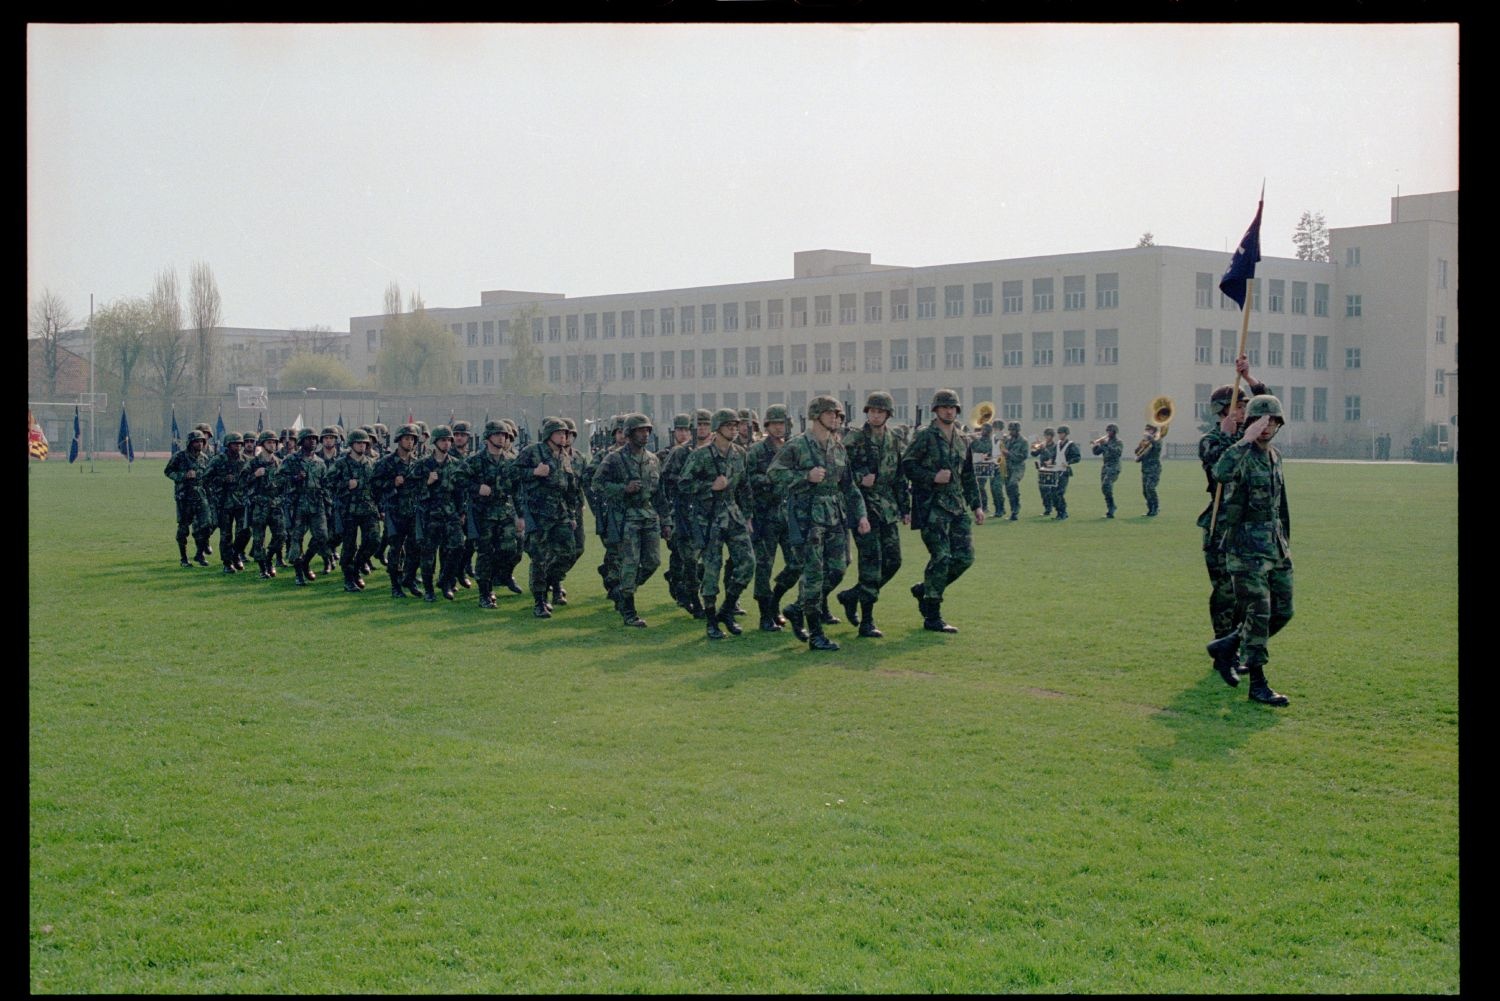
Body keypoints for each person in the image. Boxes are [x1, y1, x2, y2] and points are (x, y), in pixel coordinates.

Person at [1206, 395, 1294, 706]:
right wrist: (1244, 439)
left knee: (1284, 610)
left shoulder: (1276, 457)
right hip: (1245, 549)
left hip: (1274, 546)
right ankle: (1258, 683)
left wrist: (1285, 543)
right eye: (1260, 420)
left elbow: (1279, 505)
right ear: (1250, 423)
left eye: (1272, 421)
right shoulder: (1241, 454)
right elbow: (1220, 472)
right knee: (1259, 613)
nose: (1267, 426)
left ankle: (1229, 644)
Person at [768, 397, 870, 651]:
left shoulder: (838, 447)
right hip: (807, 519)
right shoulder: (798, 445)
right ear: (816, 415)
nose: (836, 418)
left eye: (838, 414)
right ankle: (816, 634)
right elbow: (774, 474)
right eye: (831, 413)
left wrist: (861, 515)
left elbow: (849, 486)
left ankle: (797, 607)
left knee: (839, 567)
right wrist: (805, 477)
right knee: (812, 575)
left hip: (834, 515)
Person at [1197, 357, 1269, 684]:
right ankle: (1222, 647)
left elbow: (1270, 408)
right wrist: (1229, 437)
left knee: (1247, 593)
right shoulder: (1212, 440)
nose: (1245, 411)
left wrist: (1250, 378)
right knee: (1225, 591)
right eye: (1240, 406)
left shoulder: (1253, 437)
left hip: (1248, 529)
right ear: (1224, 411)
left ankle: (1232, 647)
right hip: (1220, 527)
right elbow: (1218, 470)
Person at [901, 389, 984, 633]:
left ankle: (925, 590)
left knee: (965, 558)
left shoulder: (962, 438)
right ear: (935, 410)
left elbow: (968, 474)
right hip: (931, 507)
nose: (949, 411)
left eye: (953, 407)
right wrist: (932, 477)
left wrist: (976, 505)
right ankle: (932, 615)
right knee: (941, 557)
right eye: (944, 407)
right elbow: (907, 465)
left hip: (957, 507)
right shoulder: (925, 436)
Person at [678, 408, 756, 640]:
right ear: (718, 428)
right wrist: (709, 487)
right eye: (729, 425)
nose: (734, 429)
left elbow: (744, 486)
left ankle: (727, 609)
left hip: (733, 515)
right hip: (708, 518)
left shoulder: (739, 453)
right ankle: (712, 621)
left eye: (736, 425)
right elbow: (683, 485)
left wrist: (748, 515)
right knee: (711, 570)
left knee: (748, 563)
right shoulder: (701, 455)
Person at [835, 391, 908, 638]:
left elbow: (899, 477)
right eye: (872, 411)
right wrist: (860, 479)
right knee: (871, 564)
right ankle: (867, 620)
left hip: (887, 508)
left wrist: (905, 508)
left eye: (880, 412)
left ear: (888, 414)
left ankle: (852, 595)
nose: (875, 416)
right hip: (863, 508)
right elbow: (839, 473)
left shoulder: (894, 439)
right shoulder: (854, 439)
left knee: (894, 561)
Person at [595, 413, 665, 627]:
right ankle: (629, 610)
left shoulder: (653, 459)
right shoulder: (615, 458)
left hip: (649, 515)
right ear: (629, 433)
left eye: (647, 430)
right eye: (640, 430)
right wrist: (622, 489)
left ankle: (623, 591)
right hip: (626, 517)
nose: (645, 434)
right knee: (630, 563)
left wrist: (667, 521)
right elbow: (597, 483)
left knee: (653, 561)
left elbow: (659, 493)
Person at [514, 417, 584, 618]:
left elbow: (569, 487)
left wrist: (571, 514)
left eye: (565, 433)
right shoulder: (533, 452)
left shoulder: (564, 456)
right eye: (559, 433)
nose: (564, 436)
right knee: (539, 558)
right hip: (538, 513)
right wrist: (534, 472)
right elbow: (513, 473)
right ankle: (540, 601)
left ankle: (552, 581)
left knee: (569, 551)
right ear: (549, 435)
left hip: (560, 513)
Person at [744, 403, 801, 632]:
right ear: (767, 425)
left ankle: (775, 600)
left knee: (797, 563)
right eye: (775, 424)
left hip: (789, 514)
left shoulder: (793, 449)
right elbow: (746, 482)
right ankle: (765, 614)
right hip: (764, 514)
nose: (779, 428)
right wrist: (771, 479)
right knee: (764, 566)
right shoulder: (757, 451)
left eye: (783, 424)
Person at [661, 409, 714, 618]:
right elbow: (666, 479)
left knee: (709, 560)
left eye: (705, 424)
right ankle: (692, 599)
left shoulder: (715, 451)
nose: (701, 428)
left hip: (710, 514)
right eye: (698, 425)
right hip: (685, 512)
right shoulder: (680, 452)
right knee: (688, 560)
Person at [372, 423, 424, 598]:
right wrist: (392, 483)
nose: (410, 442)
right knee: (396, 550)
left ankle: (409, 579)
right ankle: (396, 586)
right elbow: (375, 485)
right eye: (406, 438)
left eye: (412, 439)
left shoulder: (418, 463)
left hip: (413, 511)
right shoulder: (386, 463)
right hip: (394, 511)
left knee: (416, 548)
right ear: (399, 440)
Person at [332, 428, 380, 593]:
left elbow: (377, 487)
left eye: (364, 443)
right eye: (358, 443)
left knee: (374, 541)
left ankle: (357, 568)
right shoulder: (341, 463)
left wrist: (380, 507)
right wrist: (346, 485)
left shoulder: (371, 464)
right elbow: (327, 483)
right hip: (349, 511)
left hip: (368, 509)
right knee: (349, 547)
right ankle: (349, 579)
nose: (362, 446)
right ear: (351, 444)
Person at [280, 427, 329, 586]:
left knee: (322, 537)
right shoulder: (291, 460)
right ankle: (298, 573)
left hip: (316, 503)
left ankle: (306, 561)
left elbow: (325, 484)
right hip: (297, 504)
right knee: (296, 539)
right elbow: (278, 480)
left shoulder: (320, 462)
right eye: (309, 438)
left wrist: (328, 504)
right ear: (301, 441)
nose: (313, 441)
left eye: (315, 438)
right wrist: (295, 478)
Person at [164, 429, 213, 567]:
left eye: (201, 441)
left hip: (200, 496)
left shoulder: (204, 458)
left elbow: (207, 477)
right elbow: (168, 471)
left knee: (207, 525)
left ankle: (199, 553)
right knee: (184, 528)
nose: (199, 444)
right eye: (196, 441)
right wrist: (183, 476)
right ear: (190, 443)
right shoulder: (180, 456)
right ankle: (183, 558)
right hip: (184, 496)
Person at [203, 432, 249, 572]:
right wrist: (222, 480)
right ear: (228, 445)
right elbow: (205, 479)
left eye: (240, 444)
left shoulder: (245, 460)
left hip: (241, 502)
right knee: (226, 534)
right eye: (235, 444)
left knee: (246, 531)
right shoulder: (218, 460)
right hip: (223, 502)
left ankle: (235, 554)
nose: (238, 446)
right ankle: (227, 562)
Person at [246, 430, 285, 579]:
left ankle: (269, 559)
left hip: (275, 505)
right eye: (269, 442)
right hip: (259, 506)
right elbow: (241, 482)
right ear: (262, 444)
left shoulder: (279, 463)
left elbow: (284, 483)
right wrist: (254, 475)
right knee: (258, 539)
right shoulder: (253, 463)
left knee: (281, 536)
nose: (273, 445)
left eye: (274, 442)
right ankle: (262, 568)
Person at [1049, 425, 1082, 520]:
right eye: (1059, 433)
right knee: (1053, 492)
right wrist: (1050, 461)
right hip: (1056, 470)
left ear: (1066, 434)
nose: (1060, 435)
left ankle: (1063, 512)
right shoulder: (1057, 444)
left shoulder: (1071, 445)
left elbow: (1077, 457)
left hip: (1064, 471)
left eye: (1062, 433)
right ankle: (1059, 512)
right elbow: (1054, 455)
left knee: (1059, 492)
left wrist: (1068, 463)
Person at [1092, 424, 1123, 518]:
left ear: (1115, 432)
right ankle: (1111, 506)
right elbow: (1096, 453)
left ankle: (1111, 508)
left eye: (1111, 431)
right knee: (1104, 488)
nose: (1109, 433)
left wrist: (1106, 444)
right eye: (1108, 431)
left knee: (1106, 484)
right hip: (1105, 467)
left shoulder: (1118, 442)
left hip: (1114, 467)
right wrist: (1096, 445)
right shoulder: (1105, 441)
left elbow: (1117, 453)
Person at [1002, 421, 1028, 520]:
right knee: (1008, 489)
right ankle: (1013, 510)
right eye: (1010, 430)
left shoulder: (1023, 441)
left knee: (1013, 484)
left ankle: (1016, 508)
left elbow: (1023, 456)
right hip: (1007, 467)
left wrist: (1008, 454)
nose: (1011, 432)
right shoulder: (1007, 440)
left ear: (1017, 430)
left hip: (1018, 467)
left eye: (1013, 430)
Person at [1137, 423, 1163, 516]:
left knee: (1150, 488)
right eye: (1146, 429)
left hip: (1154, 468)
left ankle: (1156, 508)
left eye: (1149, 430)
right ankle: (1150, 509)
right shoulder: (1145, 441)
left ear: (1154, 430)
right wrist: (1141, 446)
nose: (1147, 431)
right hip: (1145, 468)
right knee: (1145, 490)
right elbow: (1137, 452)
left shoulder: (1157, 440)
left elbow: (1156, 447)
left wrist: (1151, 439)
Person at [1031, 427, 1057, 516]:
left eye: (1048, 435)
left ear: (1052, 436)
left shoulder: (1055, 446)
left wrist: (1044, 449)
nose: (1046, 437)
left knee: (1051, 490)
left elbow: (1052, 456)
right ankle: (1047, 508)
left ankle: (1051, 507)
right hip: (1042, 469)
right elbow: (1034, 454)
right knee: (1042, 489)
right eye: (1045, 435)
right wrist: (1034, 446)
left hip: (1052, 469)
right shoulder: (1042, 445)